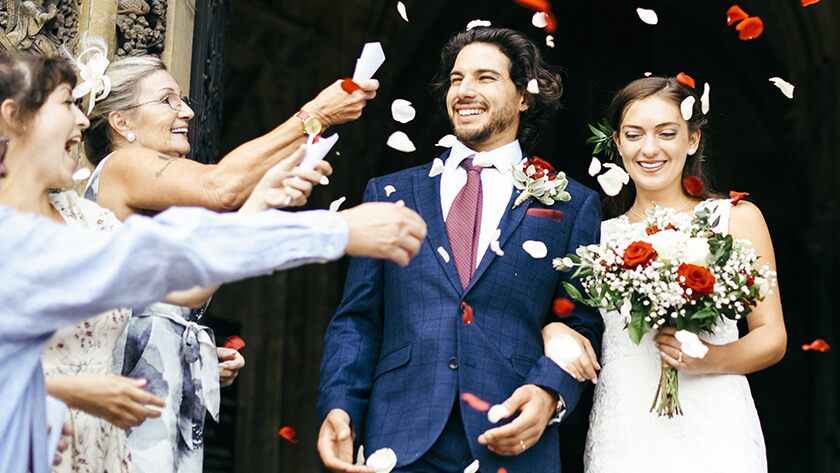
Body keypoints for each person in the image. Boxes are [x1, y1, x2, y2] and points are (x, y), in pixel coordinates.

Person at [0, 53, 427, 473]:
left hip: (104, 442)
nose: (82, 119)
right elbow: (217, 192)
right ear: (15, 118)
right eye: (67, 104)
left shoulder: (86, 223)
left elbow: (181, 284)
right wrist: (335, 220)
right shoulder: (59, 212)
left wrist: (259, 204)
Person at [317, 27, 603, 473]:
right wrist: (339, 404)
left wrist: (549, 393)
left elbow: (582, 321)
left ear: (524, 96)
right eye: (456, 79)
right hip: (401, 440)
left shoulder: (572, 203)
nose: (465, 90)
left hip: (511, 434)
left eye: (485, 77)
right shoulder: (390, 192)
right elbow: (358, 318)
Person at [79, 55, 375, 471]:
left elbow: (172, 295)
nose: (187, 112)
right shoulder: (123, 164)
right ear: (122, 122)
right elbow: (221, 187)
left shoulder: (149, 203)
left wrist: (188, 354)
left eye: (182, 99)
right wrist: (317, 115)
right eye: (166, 100)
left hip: (154, 409)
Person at [542, 76, 786, 472]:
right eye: (634, 134)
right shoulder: (597, 237)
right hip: (625, 430)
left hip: (715, 427)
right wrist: (553, 329)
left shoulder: (734, 219)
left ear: (692, 140)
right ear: (617, 143)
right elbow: (575, 323)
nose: (649, 148)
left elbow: (772, 336)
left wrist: (710, 358)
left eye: (667, 133)